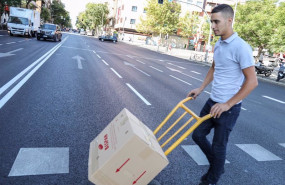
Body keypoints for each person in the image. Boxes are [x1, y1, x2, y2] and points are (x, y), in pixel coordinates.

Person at [187, 4, 258, 185]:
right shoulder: (218, 44)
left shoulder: (241, 47)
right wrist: (201, 88)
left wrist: (227, 104)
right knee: (197, 135)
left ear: (229, 20)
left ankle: (211, 179)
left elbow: (252, 81)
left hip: (228, 108)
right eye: (211, 22)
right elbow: (214, 66)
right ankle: (218, 166)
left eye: (216, 21)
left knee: (219, 147)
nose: (213, 26)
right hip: (212, 102)